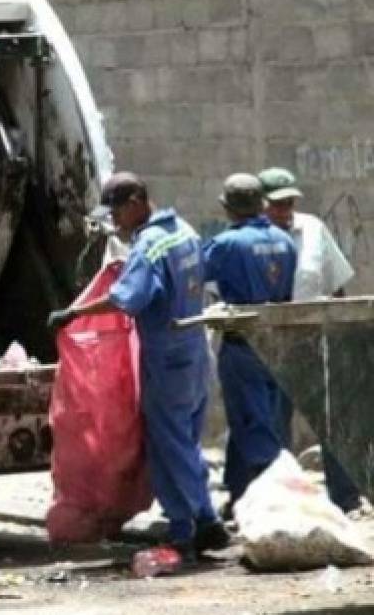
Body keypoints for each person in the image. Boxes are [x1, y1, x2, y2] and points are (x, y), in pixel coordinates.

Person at [48, 172, 227, 568]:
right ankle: (206, 519)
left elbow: (126, 299)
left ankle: (188, 528)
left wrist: (74, 313)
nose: (116, 223)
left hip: (166, 357)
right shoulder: (185, 231)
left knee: (169, 445)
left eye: (117, 213)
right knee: (187, 440)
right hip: (196, 349)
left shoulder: (149, 246)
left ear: (136, 203)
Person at [259, 166, 367, 517]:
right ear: (262, 205)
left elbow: (336, 283)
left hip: (318, 338)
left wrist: (345, 332)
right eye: (277, 204)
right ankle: (278, 498)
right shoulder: (253, 239)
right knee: (274, 421)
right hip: (272, 340)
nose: (285, 210)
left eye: (289, 202)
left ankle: (345, 496)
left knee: (330, 418)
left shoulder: (313, 229)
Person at [203, 174, 296, 511]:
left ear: (228, 208)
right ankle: (240, 494)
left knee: (251, 421)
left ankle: (274, 501)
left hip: (243, 342)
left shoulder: (227, 244)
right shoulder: (285, 241)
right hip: (276, 341)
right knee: (259, 415)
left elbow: (198, 272)